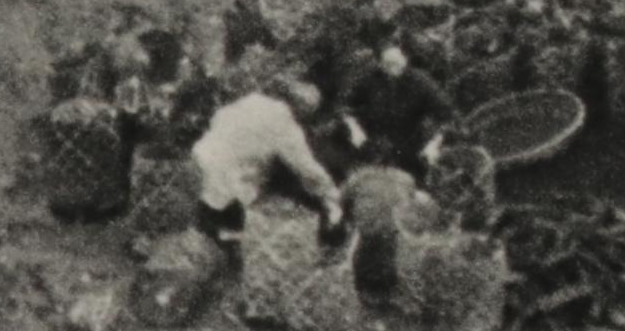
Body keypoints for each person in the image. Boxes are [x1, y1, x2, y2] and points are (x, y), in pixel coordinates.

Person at [192, 78, 346, 243]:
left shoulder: (251, 100)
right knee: (228, 237)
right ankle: (225, 255)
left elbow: (218, 118)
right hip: (228, 184)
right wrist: (333, 196)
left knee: (203, 226)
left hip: (200, 162)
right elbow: (306, 169)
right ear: (301, 110)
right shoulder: (283, 121)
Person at [333, 43, 455, 174]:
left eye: (397, 62)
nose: (393, 68)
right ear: (380, 63)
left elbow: (447, 116)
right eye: (388, 63)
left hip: (409, 144)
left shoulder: (421, 82)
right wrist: (354, 128)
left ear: (405, 60)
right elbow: (343, 104)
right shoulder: (369, 78)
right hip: (372, 141)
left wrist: (434, 144)